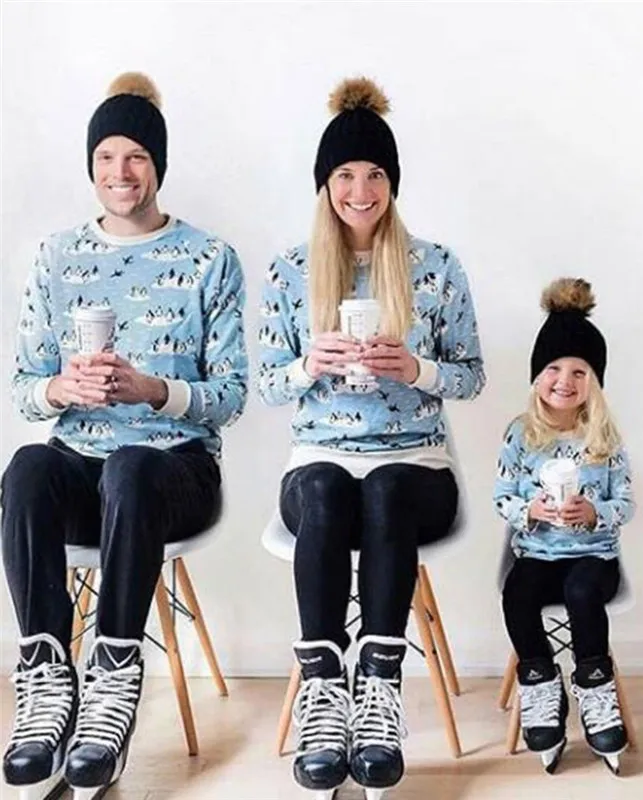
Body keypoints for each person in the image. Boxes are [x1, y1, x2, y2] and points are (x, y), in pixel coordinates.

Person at [1, 72, 248, 799]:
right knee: (26, 468)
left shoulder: (210, 259)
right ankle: (47, 679)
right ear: (91, 165)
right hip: (81, 466)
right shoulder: (56, 258)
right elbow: (21, 386)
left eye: (136, 156)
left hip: (173, 472)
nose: (120, 172)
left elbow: (231, 397)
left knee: (131, 468)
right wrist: (59, 390)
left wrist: (152, 390)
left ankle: (113, 677)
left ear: (157, 165)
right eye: (106, 156)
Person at [258, 77, 485, 799]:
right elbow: (265, 386)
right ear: (325, 185)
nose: (361, 191)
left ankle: (380, 689)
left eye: (376, 174)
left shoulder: (436, 267)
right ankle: (327, 694)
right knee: (328, 487)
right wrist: (308, 365)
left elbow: (472, 377)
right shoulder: (291, 270)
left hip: (416, 467)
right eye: (346, 175)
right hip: (319, 465)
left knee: (386, 487)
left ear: (393, 182)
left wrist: (417, 369)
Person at [494, 278, 634, 774]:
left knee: (582, 591)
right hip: (538, 553)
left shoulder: (606, 438)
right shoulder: (519, 434)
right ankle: (540, 683)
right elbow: (502, 497)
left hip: (594, 557)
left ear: (594, 381)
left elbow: (626, 503)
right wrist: (530, 510)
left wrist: (594, 513)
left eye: (579, 371)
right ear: (537, 376)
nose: (565, 381)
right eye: (553, 368)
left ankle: (595, 688)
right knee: (517, 594)